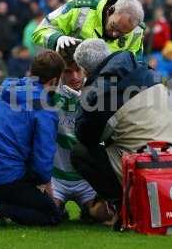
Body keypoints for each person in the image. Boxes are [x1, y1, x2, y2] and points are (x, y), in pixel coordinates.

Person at [71, 39, 172, 228]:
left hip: (146, 165)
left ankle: (126, 206)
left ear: (85, 70)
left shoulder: (98, 94)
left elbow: (85, 136)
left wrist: (83, 99)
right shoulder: (144, 68)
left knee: (81, 153)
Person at [0, 50, 65, 229]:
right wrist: (44, 191)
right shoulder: (44, 108)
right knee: (52, 214)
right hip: (1, 176)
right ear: (54, 80)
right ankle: (1, 209)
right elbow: (42, 165)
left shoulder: (4, 88)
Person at [51, 45, 113, 223]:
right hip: (56, 177)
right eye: (68, 72)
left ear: (85, 69)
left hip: (87, 179)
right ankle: (57, 210)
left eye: (78, 70)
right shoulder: (49, 95)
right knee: (47, 216)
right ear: (59, 73)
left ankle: (89, 212)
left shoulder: (98, 93)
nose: (75, 77)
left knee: (105, 216)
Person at [32, 0, 145, 56]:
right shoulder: (79, 8)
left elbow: (136, 63)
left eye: (122, 33)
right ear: (110, 10)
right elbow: (39, 31)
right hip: (68, 77)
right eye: (114, 26)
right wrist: (57, 38)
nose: (115, 34)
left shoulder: (137, 31)